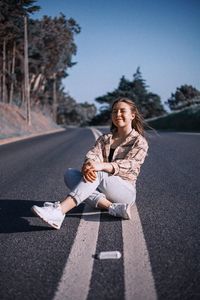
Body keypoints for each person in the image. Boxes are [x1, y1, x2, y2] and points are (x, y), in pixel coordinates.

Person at [31, 97, 149, 229]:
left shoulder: (139, 141)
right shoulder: (105, 139)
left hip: (125, 192)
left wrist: (101, 166)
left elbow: (131, 165)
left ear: (132, 115)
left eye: (122, 111)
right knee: (70, 174)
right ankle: (112, 207)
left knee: (98, 172)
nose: (118, 115)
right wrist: (88, 165)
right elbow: (92, 156)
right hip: (103, 187)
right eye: (115, 111)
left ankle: (59, 211)